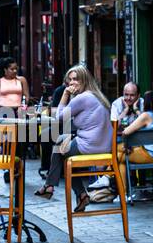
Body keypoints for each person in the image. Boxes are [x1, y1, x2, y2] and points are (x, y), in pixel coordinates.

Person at [35, 65, 113, 206]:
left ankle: (49, 185)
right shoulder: (96, 95)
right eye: (69, 80)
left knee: (59, 145)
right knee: (63, 147)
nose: (72, 83)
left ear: (84, 80)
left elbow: (59, 117)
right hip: (104, 146)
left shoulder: (82, 97)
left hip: (91, 145)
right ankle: (81, 195)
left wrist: (65, 94)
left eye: (76, 79)